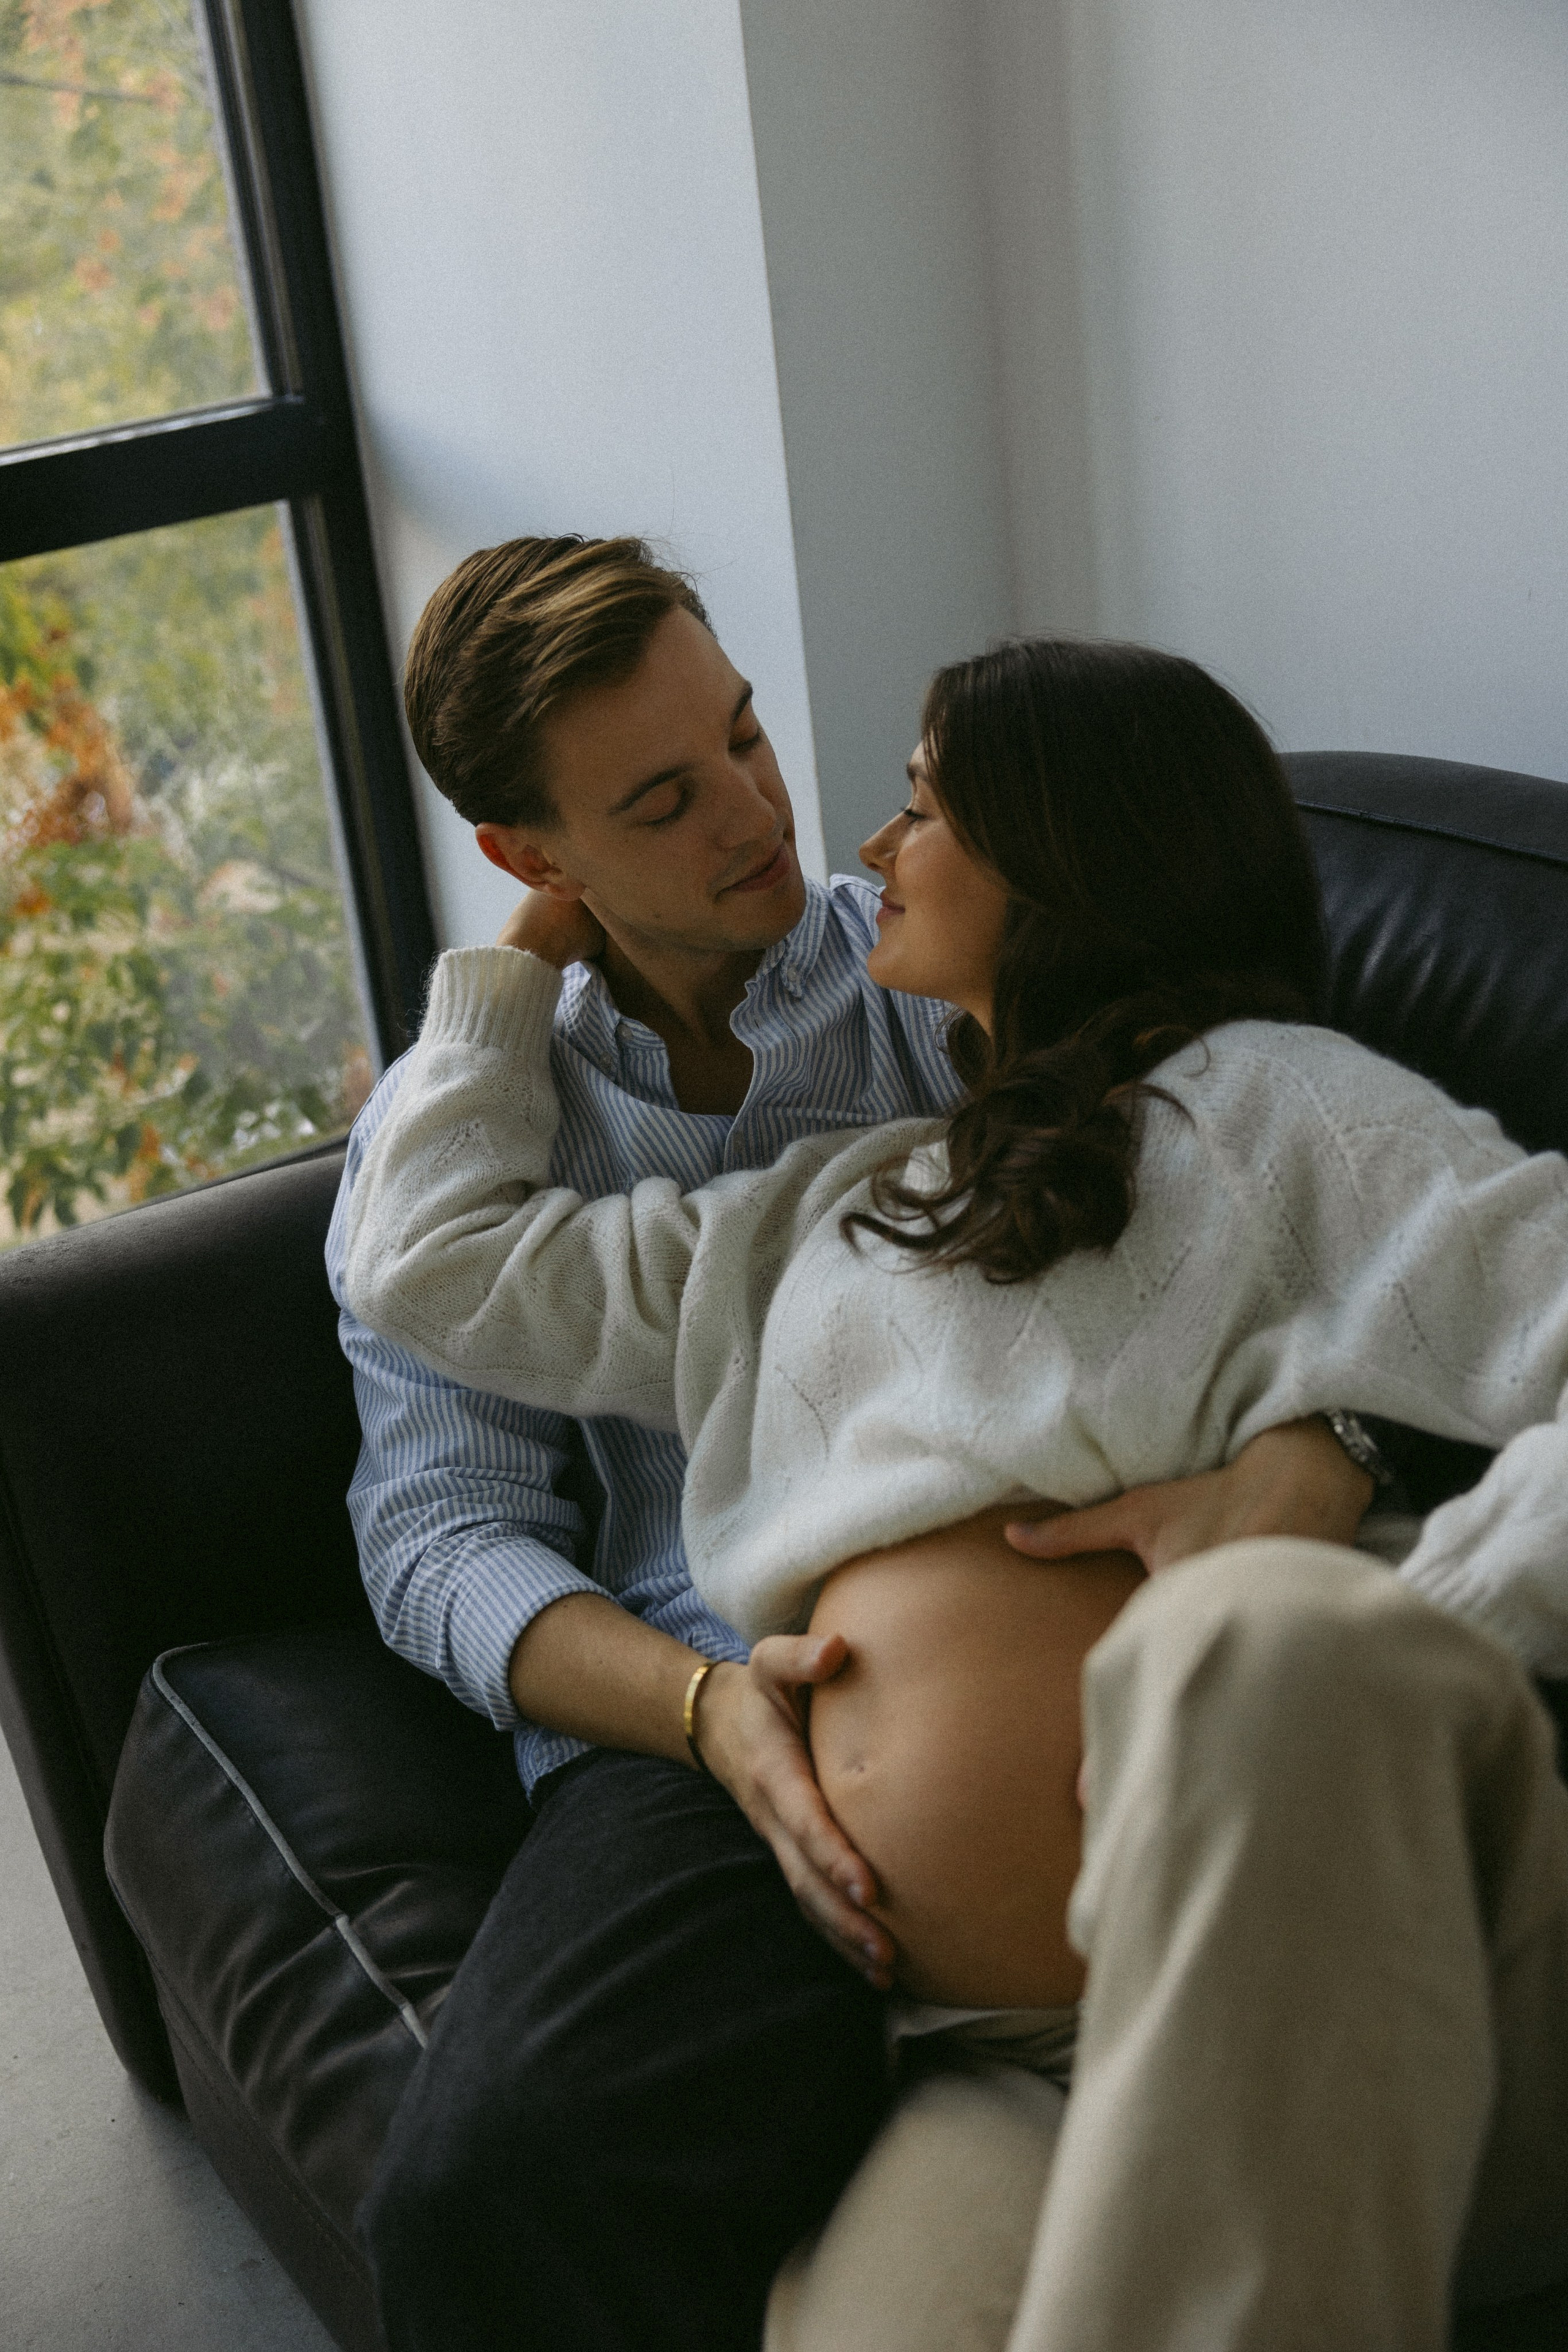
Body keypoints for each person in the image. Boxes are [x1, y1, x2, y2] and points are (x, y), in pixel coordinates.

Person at [345, 631, 1568, 2350]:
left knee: (1251, 1644)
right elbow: (435, 1274)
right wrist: (510, 976)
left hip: (1355, 1963)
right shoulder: (828, 1214)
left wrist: (1420, 1610)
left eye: (922, 805)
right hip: (986, 2049)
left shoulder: (1294, 1114)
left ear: (1060, 848)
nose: (856, 844)